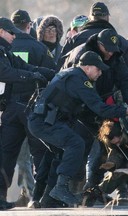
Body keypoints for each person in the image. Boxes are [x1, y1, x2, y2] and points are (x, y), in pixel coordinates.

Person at [27, 51, 128, 207]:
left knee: (59, 153)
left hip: (44, 121)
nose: (100, 73)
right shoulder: (80, 80)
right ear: (88, 67)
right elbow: (99, 108)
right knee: (75, 143)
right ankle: (60, 189)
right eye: (98, 69)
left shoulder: (69, 73)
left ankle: (48, 198)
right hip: (45, 122)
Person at [0, 17, 50, 210]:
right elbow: (4, 72)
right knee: (6, 154)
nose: (14, 35)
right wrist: (31, 77)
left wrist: (48, 74)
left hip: (12, 110)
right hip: (11, 109)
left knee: (7, 154)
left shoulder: (5, 51)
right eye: (10, 32)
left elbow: (23, 66)